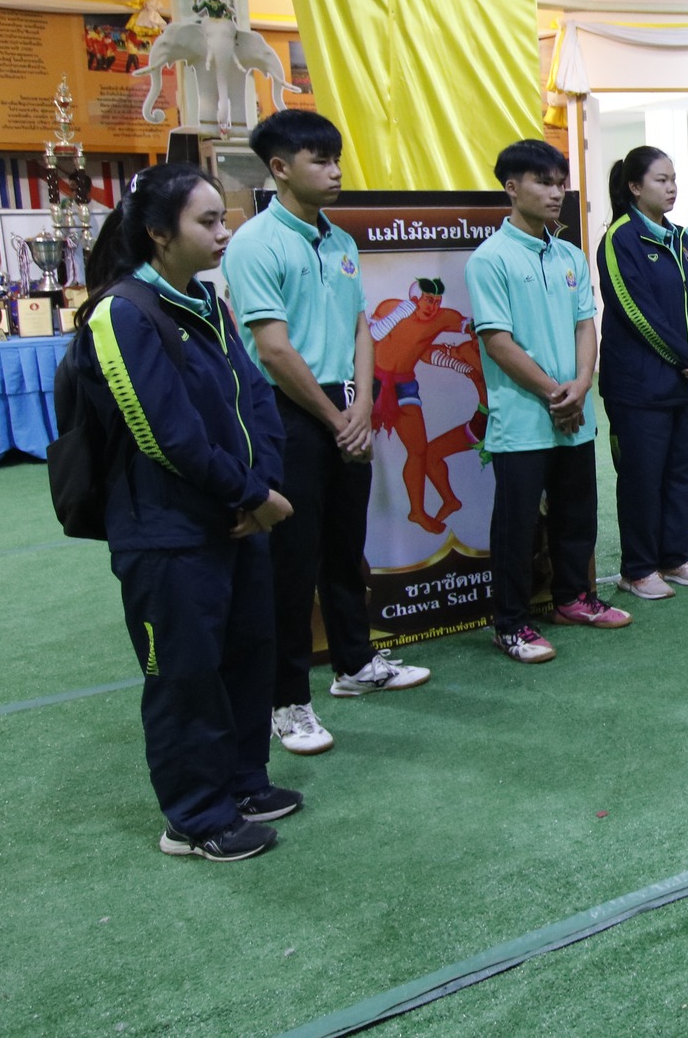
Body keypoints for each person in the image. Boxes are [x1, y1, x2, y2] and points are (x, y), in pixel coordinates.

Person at [70, 164, 297, 861]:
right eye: (208, 221)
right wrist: (250, 496)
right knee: (184, 678)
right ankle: (195, 819)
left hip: (236, 521)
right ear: (159, 233)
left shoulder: (207, 301)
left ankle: (243, 784)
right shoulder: (121, 313)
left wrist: (262, 485)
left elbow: (255, 397)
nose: (224, 232)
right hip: (168, 535)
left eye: (223, 218)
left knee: (248, 658)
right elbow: (161, 431)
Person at [223, 110, 426, 760]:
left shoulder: (338, 240)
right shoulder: (256, 243)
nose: (336, 171)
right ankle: (286, 700)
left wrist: (362, 403)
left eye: (337, 158)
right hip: (285, 413)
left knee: (345, 546)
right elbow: (273, 349)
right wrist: (339, 418)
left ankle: (355, 663)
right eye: (321, 160)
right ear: (280, 168)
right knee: (291, 562)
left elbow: (361, 326)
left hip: (345, 405)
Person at [467, 139, 631, 664]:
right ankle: (510, 624)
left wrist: (581, 385)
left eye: (560, 182)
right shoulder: (490, 258)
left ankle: (572, 599)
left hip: (575, 413)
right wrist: (553, 391)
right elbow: (497, 341)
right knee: (516, 526)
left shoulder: (569, 256)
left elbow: (586, 326)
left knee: (576, 514)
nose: (556, 192)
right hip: (522, 420)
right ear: (512, 188)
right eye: (544, 182)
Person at [597, 146, 688, 600]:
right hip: (639, 387)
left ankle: (673, 557)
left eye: (673, 180)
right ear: (634, 187)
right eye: (661, 180)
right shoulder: (620, 238)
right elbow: (635, 310)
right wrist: (687, 358)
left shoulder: (681, 238)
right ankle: (637, 568)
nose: (671, 188)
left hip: (687, 383)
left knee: (682, 474)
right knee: (642, 478)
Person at [370, 277, 483, 536]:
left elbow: (475, 327)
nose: (433, 306)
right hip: (372, 379)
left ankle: (417, 511)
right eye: (428, 300)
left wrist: (459, 361)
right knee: (359, 444)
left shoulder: (444, 318)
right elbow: (370, 335)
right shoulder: (390, 307)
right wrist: (398, 315)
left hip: (405, 385)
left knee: (419, 450)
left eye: (437, 301)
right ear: (414, 299)